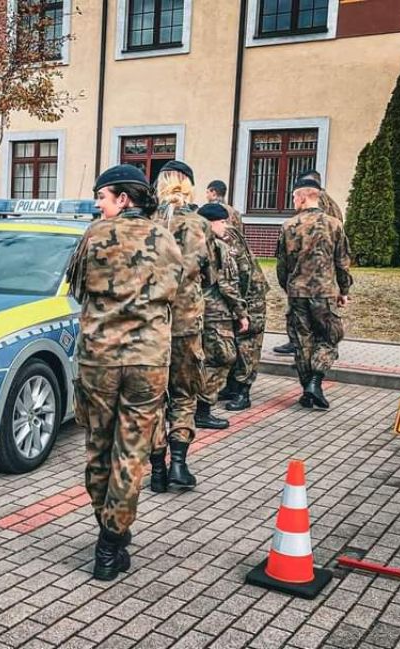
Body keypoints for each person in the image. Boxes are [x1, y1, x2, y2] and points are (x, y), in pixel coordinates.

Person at [66, 164, 181, 581]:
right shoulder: (166, 237)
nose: (98, 204)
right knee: (131, 451)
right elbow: (179, 295)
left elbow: (77, 287)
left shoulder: (95, 235)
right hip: (148, 361)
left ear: (124, 199)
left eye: (103, 196)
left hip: (100, 358)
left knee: (99, 445)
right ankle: (112, 542)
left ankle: (108, 529)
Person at [149, 161, 208, 493]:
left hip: (152, 325)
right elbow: (211, 275)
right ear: (189, 187)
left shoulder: (148, 224)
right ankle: (180, 465)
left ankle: (157, 468)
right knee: (184, 394)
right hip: (186, 324)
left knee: (154, 399)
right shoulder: (199, 225)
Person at [276, 178, 353, 409]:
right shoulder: (334, 225)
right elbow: (342, 261)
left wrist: (288, 287)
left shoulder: (288, 226)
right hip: (325, 292)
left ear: (302, 197)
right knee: (329, 336)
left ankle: (309, 388)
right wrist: (344, 290)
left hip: (297, 292)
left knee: (303, 340)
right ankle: (316, 382)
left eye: (293, 197)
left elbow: (282, 265)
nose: (293, 201)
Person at [273, 169, 342, 356]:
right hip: (313, 275)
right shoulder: (326, 208)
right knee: (307, 317)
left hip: (315, 270)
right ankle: (310, 352)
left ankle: (310, 351)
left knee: (316, 322)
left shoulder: (326, 207)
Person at [196, 203, 249, 429]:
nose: (226, 226)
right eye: (222, 222)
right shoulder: (217, 247)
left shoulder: (188, 244)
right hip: (216, 314)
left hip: (193, 313)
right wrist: (241, 312)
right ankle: (203, 410)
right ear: (210, 222)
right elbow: (228, 285)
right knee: (222, 358)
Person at [214, 207, 269, 411]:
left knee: (248, 345)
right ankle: (231, 386)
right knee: (235, 342)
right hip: (241, 297)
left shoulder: (228, 239)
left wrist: (241, 310)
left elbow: (240, 276)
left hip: (251, 297)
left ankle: (243, 391)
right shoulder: (220, 236)